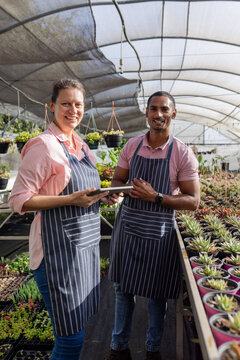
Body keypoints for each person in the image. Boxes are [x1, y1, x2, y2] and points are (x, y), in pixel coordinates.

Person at [8, 78, 119, 360]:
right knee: (70, 341)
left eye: (78, 104)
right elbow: (18, 199)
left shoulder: (81, 146)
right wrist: (70, 199)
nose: (73, 110)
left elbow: (83, 190)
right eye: (66, 103)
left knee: (75, 331)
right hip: (55, 256)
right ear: (52, 106)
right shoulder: (43, 146)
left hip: (81, 251)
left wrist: (102, 196)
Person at [105, 91, 200, 360]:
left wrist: (155, 196)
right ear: (146, 113)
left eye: (164, 109)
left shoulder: (182, 153)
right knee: (123, 290)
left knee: (156, 294)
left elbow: (193, 201)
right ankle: (118, 347)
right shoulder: (131, 146)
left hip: (158, 232)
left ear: (173, 113)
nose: (158, 114)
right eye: (153, 109)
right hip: (129, 226)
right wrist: (116, 192)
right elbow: (118, 179)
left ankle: (152, 349)